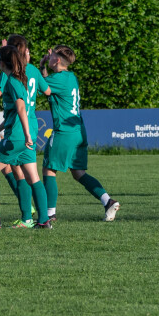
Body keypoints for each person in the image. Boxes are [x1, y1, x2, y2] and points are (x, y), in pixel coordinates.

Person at [0, 45, 51, 230]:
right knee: (32, 177)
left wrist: (25, 135)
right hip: (23, 134)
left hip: (17, 137)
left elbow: (21, 107)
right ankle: (42, 220)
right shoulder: (17, 77)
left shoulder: (12, 80)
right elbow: (13, 113)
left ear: (2, 62)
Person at [39, 45, 120, 222]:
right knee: (78, 173)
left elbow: (39, 85)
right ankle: (108, 201)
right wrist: (44, 67)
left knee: (49, 170)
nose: (48, 56)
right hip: (78, 131)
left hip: (64, 132)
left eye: (51, 55)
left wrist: (35, 69)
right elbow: (49, 89)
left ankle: (50, 214)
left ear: (57, 60)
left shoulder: (59, 78)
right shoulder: (69, 77)